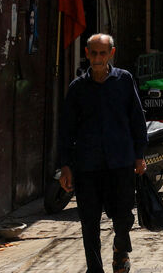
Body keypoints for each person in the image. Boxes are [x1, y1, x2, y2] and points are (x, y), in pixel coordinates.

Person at [56, 34, 147, 273]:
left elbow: (137, 119)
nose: (97, 58)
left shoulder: (124, 80)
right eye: (93, 53)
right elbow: (66, 129)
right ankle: (94, 269)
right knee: (89, 222)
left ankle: (120, 250)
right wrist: (65, 165)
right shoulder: (77, 89)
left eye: (102, 53)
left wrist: (139, 155)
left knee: (124, 217)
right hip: (88, 166)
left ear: (111, 54)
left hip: (121, 163)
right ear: (87, 54)